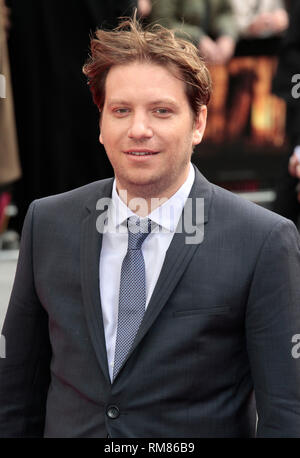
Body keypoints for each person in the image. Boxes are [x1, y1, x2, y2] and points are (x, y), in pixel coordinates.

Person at [0, 14, 300, 438]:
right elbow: (15, 394)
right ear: (101, 123)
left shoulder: (262, 240)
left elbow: (287, 412)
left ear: (198, 123)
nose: (138, 130)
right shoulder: (48, 223)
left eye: (161, 111)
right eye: (121, 110)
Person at [148, 0, 238, 65]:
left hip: (212, 57)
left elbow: (225, 12)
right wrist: (197, 39)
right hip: (174, 57)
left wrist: (227, 36)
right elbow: (160, 24)